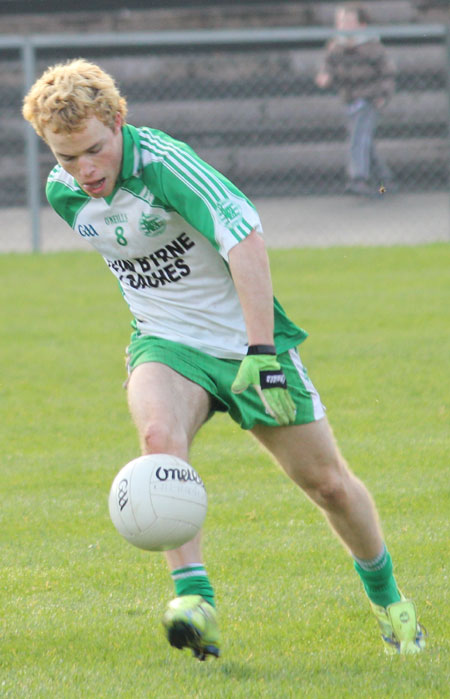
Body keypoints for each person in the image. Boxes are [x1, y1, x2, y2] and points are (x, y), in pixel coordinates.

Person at [23, 58, 424, 660]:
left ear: (119, 121)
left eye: (94, 151)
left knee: (329, 486)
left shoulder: (166, 166)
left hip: (246, 345)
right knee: (159, 439)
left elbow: (247, 242)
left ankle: (391, 602)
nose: (83, 171)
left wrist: (262, 353)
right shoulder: (64, 195)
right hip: (165, 344)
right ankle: (195, 602)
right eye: (65, 157)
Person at [315, 3, 397, 196]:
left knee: (358, 138)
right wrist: (324, 75)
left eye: (348, 21)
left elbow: (387, 73)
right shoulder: (336, 47)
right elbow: (328, 66)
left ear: (361, 25)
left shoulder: (372, 47)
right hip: (350, 101)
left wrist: (383, 95)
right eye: (340, 21)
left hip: (369, 100)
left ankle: (358, 178)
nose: (343, 26)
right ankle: (385, 180)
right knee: (364, 142)